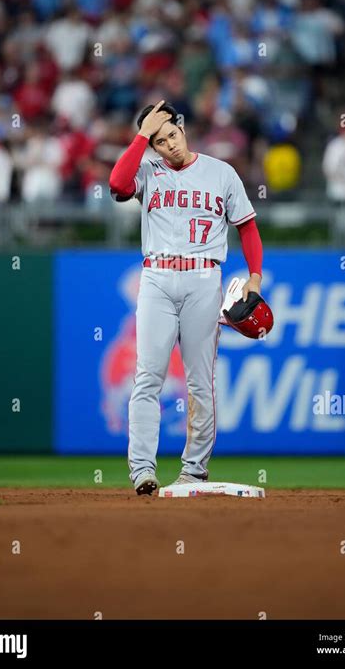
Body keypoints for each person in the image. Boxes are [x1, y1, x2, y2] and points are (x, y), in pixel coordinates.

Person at [109, 101, 263, 495]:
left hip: (204, 279)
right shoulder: (147, 171)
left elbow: (246, 227)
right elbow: (117, 185)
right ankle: (142, 470)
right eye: (160, 142)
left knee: (199, 381)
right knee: (147, 377)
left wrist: (254, 278)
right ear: (152, 147)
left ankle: (194, 471)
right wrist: (143, 135)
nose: (170, 146)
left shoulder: (221, 172)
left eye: (172, 135)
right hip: (157, 278)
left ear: (182, 128)